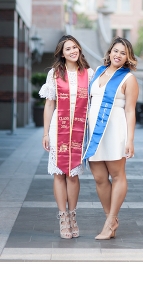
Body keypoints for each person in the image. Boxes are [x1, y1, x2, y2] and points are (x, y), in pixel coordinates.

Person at [83, 36, 139, 240]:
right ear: (109, 52)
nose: (118, 55)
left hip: (115, 130)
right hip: (95, 133)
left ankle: (110, 221)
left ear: (128, 57)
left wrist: (130, 139)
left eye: (123, 53)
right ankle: (111, 220)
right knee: (99, 177)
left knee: (117, 175)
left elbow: (130, 111)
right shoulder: (98, 72)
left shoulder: (128, 79)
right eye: (116, 51)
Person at [40, 35, 93, 239]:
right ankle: (63, 217)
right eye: (68, 48)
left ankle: (73, 215)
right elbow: (50, 104)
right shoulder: (54, 74)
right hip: (58, 128)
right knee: (59, 173)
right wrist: (45, 133)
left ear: (79, 49)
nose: (72, 51)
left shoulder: (89, 74)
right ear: (62, 53)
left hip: (79, 129)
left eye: (75, 47)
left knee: (73, 174)